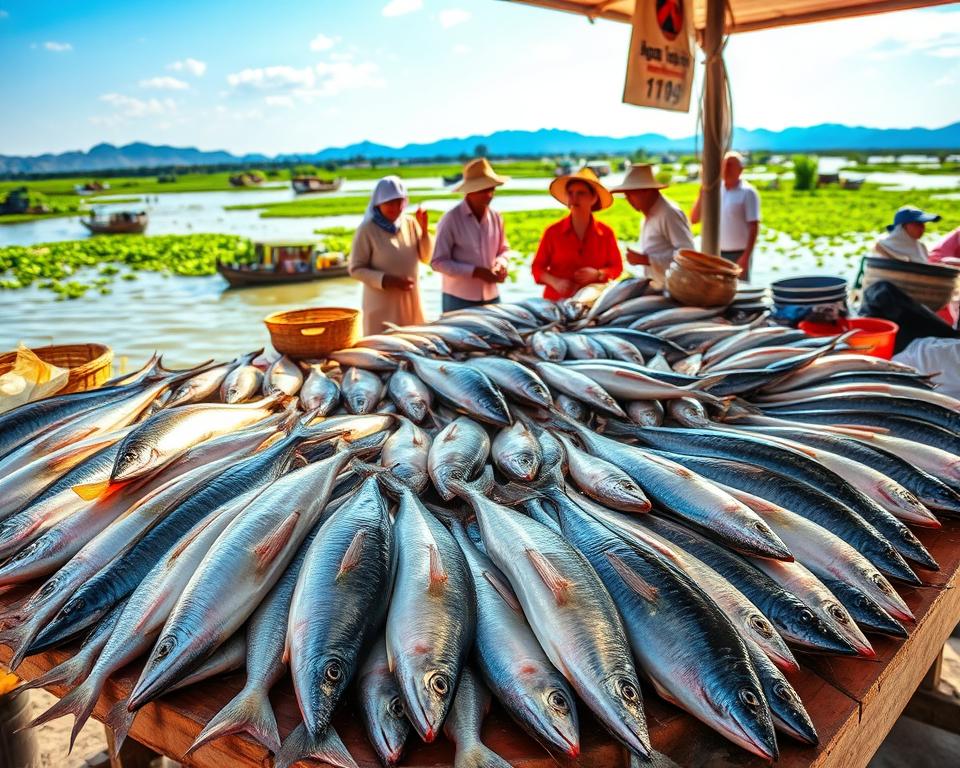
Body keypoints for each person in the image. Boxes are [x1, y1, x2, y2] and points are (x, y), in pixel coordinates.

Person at [349, 176, 432, 335]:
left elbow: (426, 257)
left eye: (400, 202)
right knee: (384, 350)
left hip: (410, 301)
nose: (396, 207)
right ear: (378, 204)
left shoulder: (410, 223)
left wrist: (425, 230)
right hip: (382, 306)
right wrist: (386, 280)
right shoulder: (367, 230)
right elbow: (356, 269)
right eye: (390, 203)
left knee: (413, 346)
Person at [431, 158, 515, 312]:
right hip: (458, 299)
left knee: (497, 336)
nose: (489, 194)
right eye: (483, 190)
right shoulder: (450, 219)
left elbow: (504, 249)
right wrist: (475, 272)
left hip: (492, 296)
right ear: (469, 191)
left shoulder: (496, 217)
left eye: (492, 189)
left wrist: (501, 263)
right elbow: (438, 262)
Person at [531, 168, 622, 300]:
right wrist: (555, 282)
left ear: (594, 198)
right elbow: (537, 268)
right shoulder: (552, 232)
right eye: (570, 193)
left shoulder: (606, 233)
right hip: (555, 303)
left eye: (581, 193)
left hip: (593, 303)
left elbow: (617, 267)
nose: (574, 198)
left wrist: (598, 274)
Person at [609, 164, 694, 288]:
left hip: (673, 289)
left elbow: (688, 255)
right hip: (658, 286)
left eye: (631, 194)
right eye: (626, 195)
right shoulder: (649, 213)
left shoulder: (669, 213)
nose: (628, 200)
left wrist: (646, 260)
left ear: (647, 191)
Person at [691, 151, 761, 280]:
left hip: (738, 254)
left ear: (741, 169)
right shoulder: (714, 190)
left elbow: (754, 226)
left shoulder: (748, 192)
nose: (727, 168)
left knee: (739, 291)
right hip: (714, 253)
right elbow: (694, 219)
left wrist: (746, 256)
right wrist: (702, 192)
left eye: (731, 165)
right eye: (724, 165)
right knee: (714, 291)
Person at [874, 206, 941, 263]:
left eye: (923, 224)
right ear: (903, 227)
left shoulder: (922, 247)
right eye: (917, 224)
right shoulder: (883, 247)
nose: (922, 227)